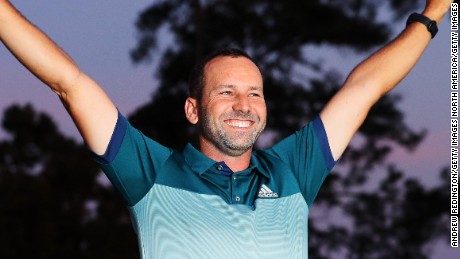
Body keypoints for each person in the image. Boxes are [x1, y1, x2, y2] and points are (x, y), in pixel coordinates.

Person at [0, 0, 453, 258]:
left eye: (255, 93)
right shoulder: (151, 172)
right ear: (192, 110)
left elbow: (365, 87)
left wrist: (433, 14)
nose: (244, 105)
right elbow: (69, 83)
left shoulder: (292, 171)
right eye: (226, 92)